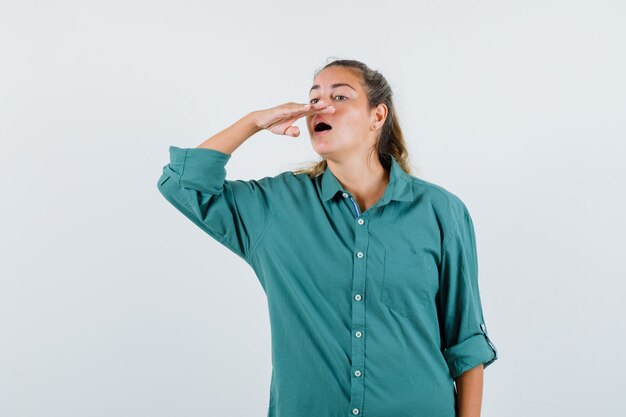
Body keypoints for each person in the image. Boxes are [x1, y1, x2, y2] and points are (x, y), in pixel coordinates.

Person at [157, 58, 498, 417]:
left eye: (340, 96)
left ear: (377, 117)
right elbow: (181, 184)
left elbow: (466, 342)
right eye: (314, 99)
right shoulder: (275, 208)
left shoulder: (440, 211)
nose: (321, 107)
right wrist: (254, 122)